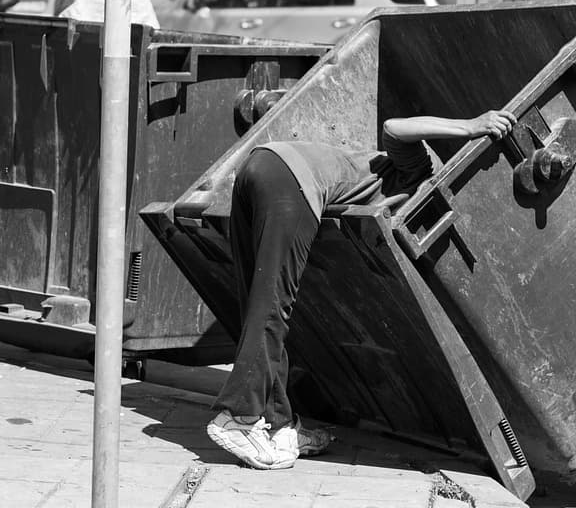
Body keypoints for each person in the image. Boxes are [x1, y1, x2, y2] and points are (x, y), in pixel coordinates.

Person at [207, 109, 519, 469]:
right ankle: (238, 416)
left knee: (261, 304)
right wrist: (469, 125)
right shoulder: (424, 172)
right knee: (274, 305)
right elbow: (395, 127)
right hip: (292, 181)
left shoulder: (390, 184)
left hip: (261, 165)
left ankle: (278, 426)